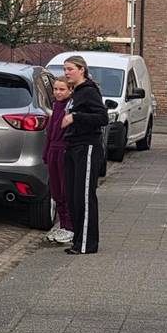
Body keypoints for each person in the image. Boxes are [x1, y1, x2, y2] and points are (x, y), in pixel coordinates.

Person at [60, 55, 107, 255]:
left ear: (82, 70)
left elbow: (102, 117)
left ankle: (87, 244)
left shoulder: (89, 91)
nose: (66, 73)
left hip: (86, 146)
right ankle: (78, 240)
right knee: (73, 196)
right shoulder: (76, 92)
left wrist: (75, 117)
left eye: (70, 69)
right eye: (65, 69)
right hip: (72, 146)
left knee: (84, 196)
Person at [41, 78, 75, 245]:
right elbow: (50, 132)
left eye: (62, 89)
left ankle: (70, 227)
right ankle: (62, 225)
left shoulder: (70, 107)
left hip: (63, 150)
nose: (58, 92)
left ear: (70, 91)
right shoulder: (55, 106)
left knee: (64, 189)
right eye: (55, 89)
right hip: (53, 150)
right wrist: (46, 152)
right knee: (55, 191)